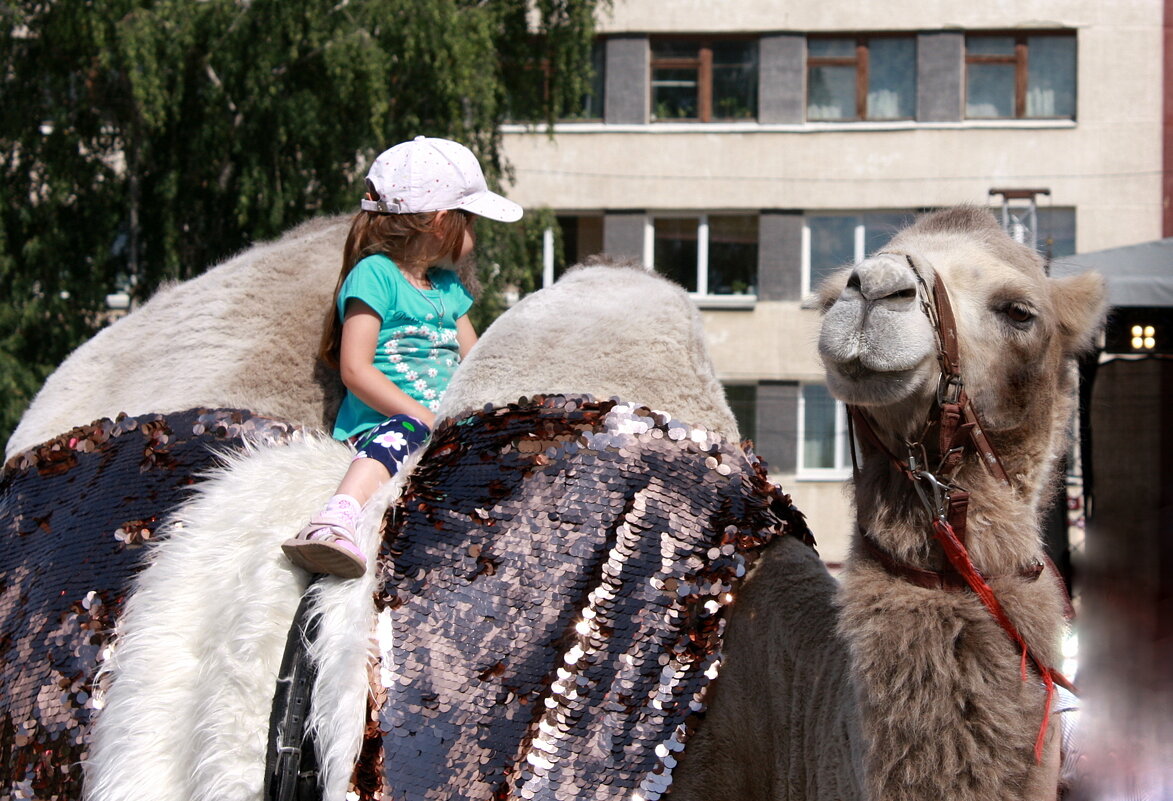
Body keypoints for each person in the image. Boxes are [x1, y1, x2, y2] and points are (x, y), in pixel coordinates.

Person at [282, 136, 523, 578]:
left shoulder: (450, 289)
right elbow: (356, 369)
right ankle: (335, 518)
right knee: (404, 430)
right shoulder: (375, 275)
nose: (475, 234)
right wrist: (422, 418)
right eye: (470, 221)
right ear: (440, 221)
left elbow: (474, 365)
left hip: (437, 423)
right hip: (384, 424)